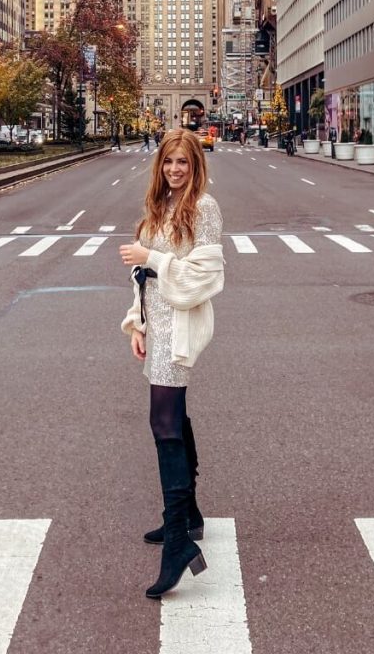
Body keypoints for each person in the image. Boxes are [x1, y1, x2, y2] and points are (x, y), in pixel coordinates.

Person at [119, 128, 224, 599]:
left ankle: (179, 541)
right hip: (157, 324)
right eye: (168, 162)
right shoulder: (159, 207)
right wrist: (137, 323)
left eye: (183, 162)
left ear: (195, 165)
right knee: (174, 418)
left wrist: (154, 257)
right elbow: (140, 277)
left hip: (180, 328)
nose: (175, 170)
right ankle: (188, 517)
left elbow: (206, 277)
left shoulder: (204, 208)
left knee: (163, 424)